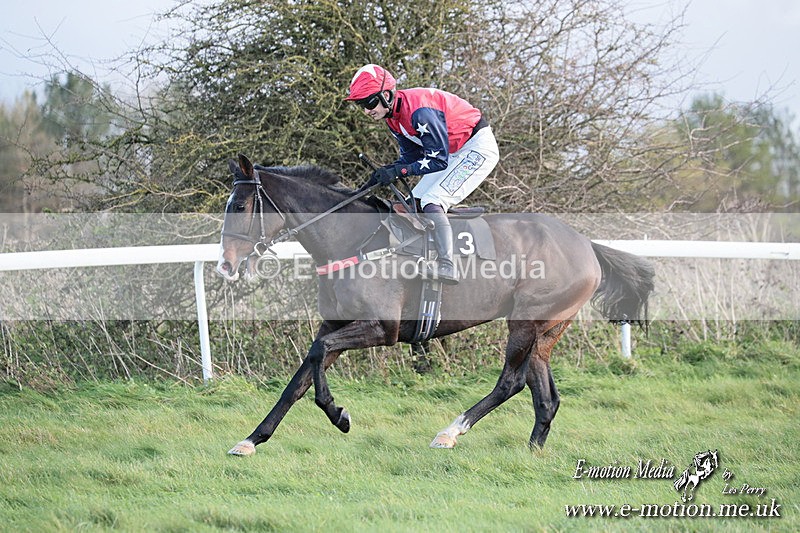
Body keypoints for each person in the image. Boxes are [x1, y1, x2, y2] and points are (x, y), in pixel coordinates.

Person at [345, 64, 499, 285]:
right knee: (411, 203)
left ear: (386, 95)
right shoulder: (393, 118)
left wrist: (399, 171)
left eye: (370, 102)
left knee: (431, 200)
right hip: (453, 151)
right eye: (361, 104)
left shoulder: (420, 113)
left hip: (476, 147)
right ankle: (421, 258)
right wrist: (384, 173)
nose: (367, 110)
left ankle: (447, 265)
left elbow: (436, 160)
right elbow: (410, 159)